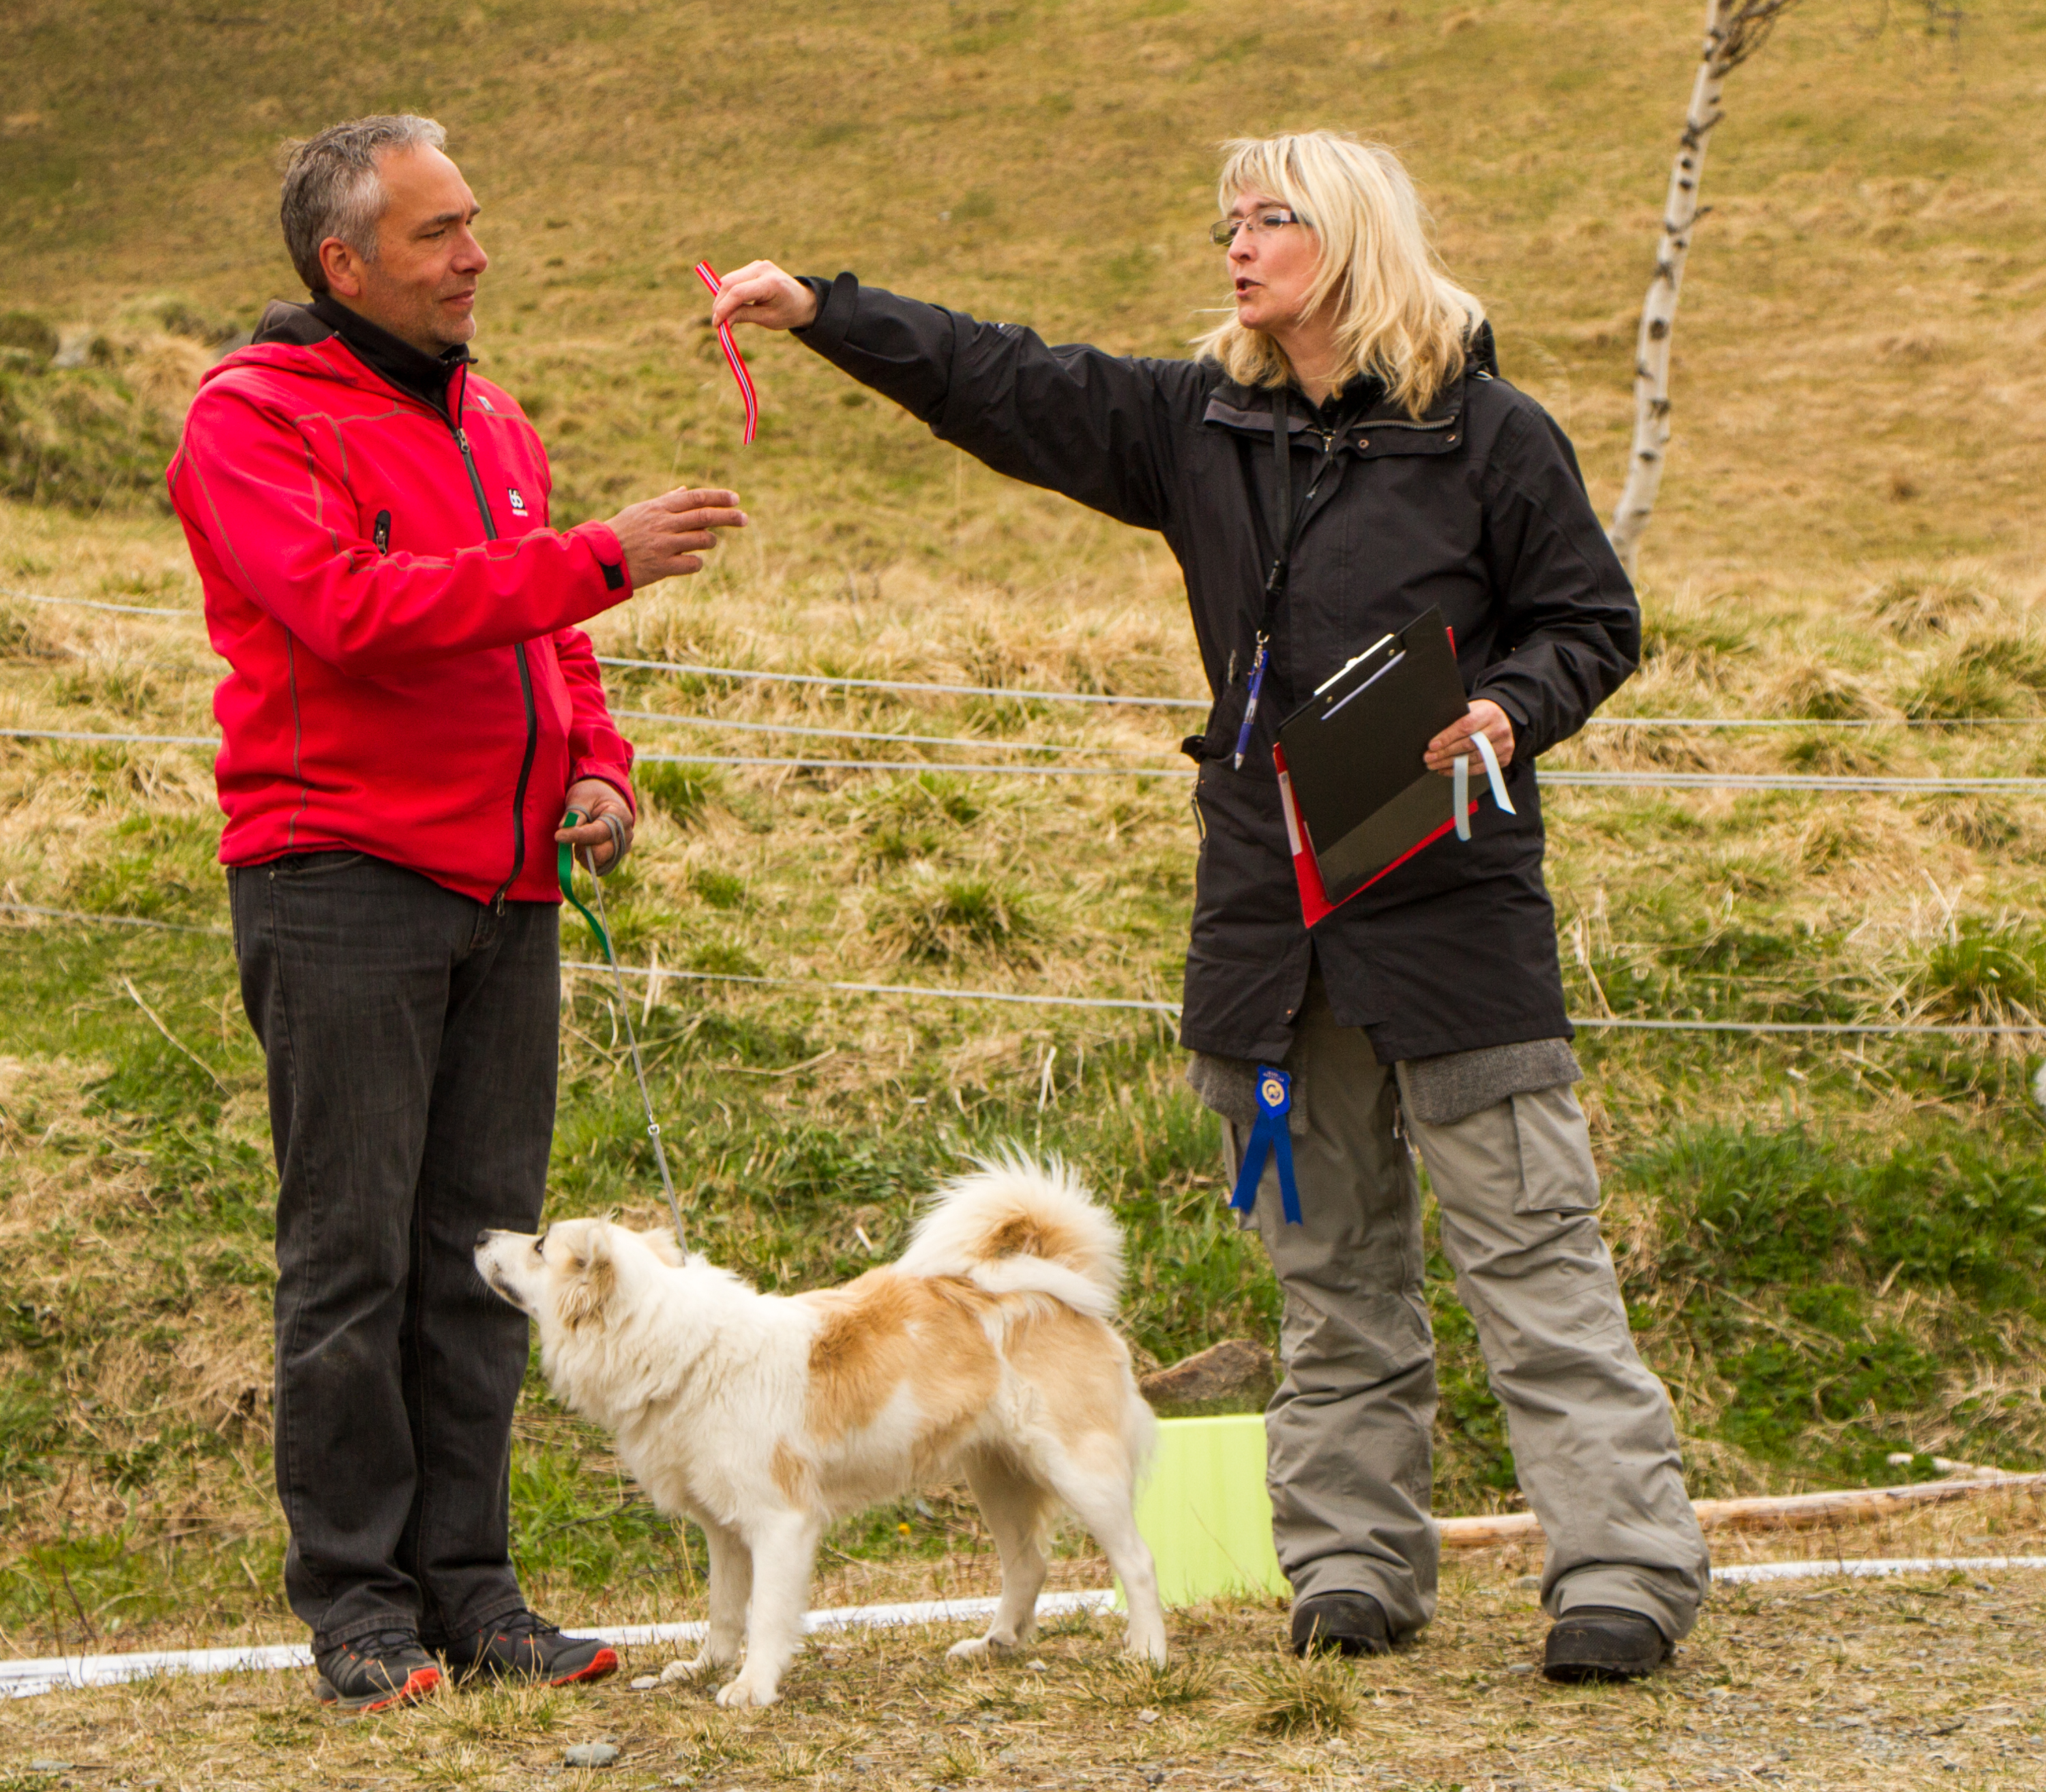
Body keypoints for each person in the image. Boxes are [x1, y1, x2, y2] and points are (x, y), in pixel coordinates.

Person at [710, 129, 1709, 1682]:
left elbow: (1592, 619)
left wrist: (1513, 709)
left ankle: (1623, 1577)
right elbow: (1007, 379)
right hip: (1267, 932)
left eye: (1271, 220)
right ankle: (1354, 1570)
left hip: (1455, 923)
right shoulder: (1199, 421)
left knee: (1536, 1270)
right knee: (1332, 1276)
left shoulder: (1497, 435)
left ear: (1355, 241)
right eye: (1228, 222)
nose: (1236, 247)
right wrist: (826, 313)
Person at [166, 114, 746, 1714]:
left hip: (509, 889)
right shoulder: (251, 423)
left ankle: (476, 1597)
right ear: (342, 264)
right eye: (437, 234)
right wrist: (598, 558)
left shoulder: (494, 418)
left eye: (473, 222)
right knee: (348, 1263)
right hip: (337, 882)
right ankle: (358, 1612)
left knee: (481, 1260)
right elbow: (349, 617)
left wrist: (606, 771)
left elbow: (550, 647)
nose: (475, 253)